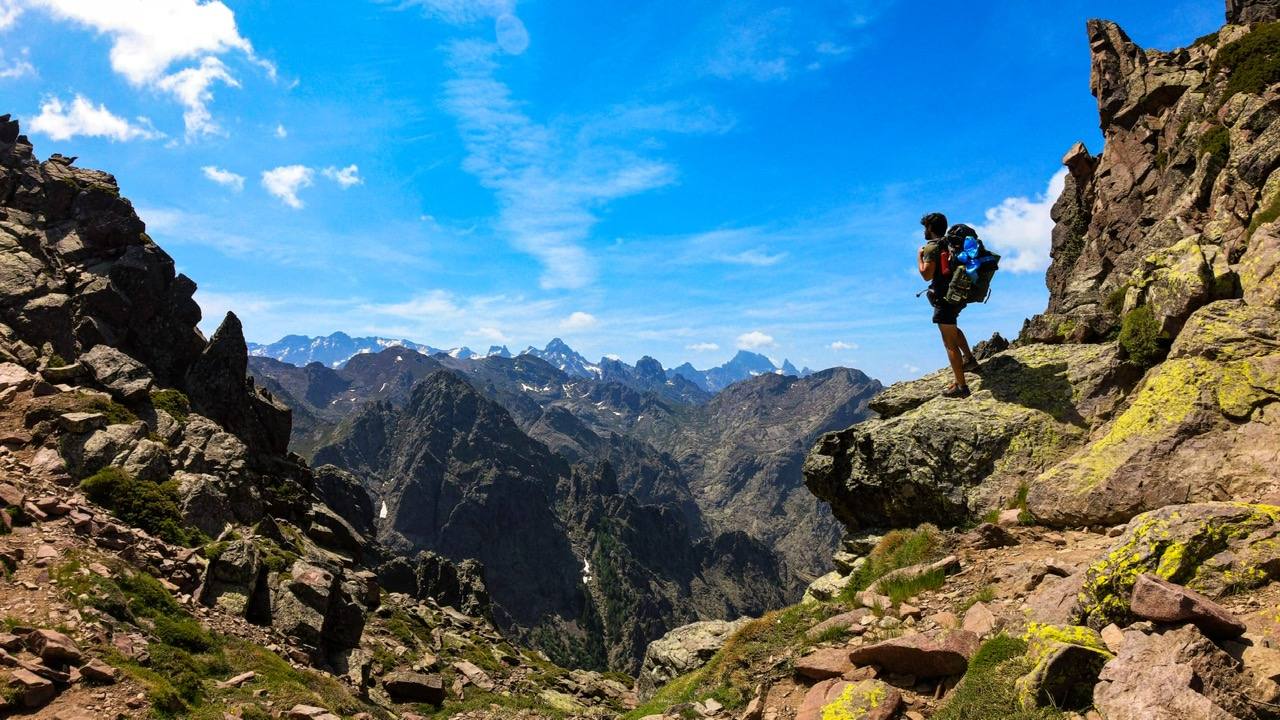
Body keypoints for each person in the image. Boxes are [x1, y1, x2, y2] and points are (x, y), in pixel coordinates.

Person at [918, 212, 979, 398]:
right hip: (957, 295)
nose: (923, 232)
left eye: (925, 228)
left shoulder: (931, 248)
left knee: (949, 343)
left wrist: (919, 257)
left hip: (944, 299)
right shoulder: (950, 243)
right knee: (953, 329)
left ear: (930, 228)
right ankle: (969, 359)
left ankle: (961, 387)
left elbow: (926, 275)